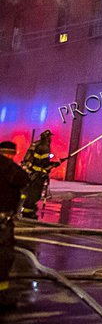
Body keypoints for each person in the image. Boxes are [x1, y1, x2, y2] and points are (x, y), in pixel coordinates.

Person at [0, 141, 30, 307]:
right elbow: (23, 180)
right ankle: (2, 296)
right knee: (4, 256)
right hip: (2, 221)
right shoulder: (9, 167)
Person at [19, 130, 53, 219]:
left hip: (30, 173)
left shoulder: (35, 144)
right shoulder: (45, 147)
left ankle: (23, 209)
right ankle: (28, 212)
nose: (50, 139)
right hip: (37, 175)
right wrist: (51, 166)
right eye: (50, 137)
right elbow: (43, 163)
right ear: (47, 138)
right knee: (35, 194)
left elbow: (28, 159)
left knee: (26, 192)